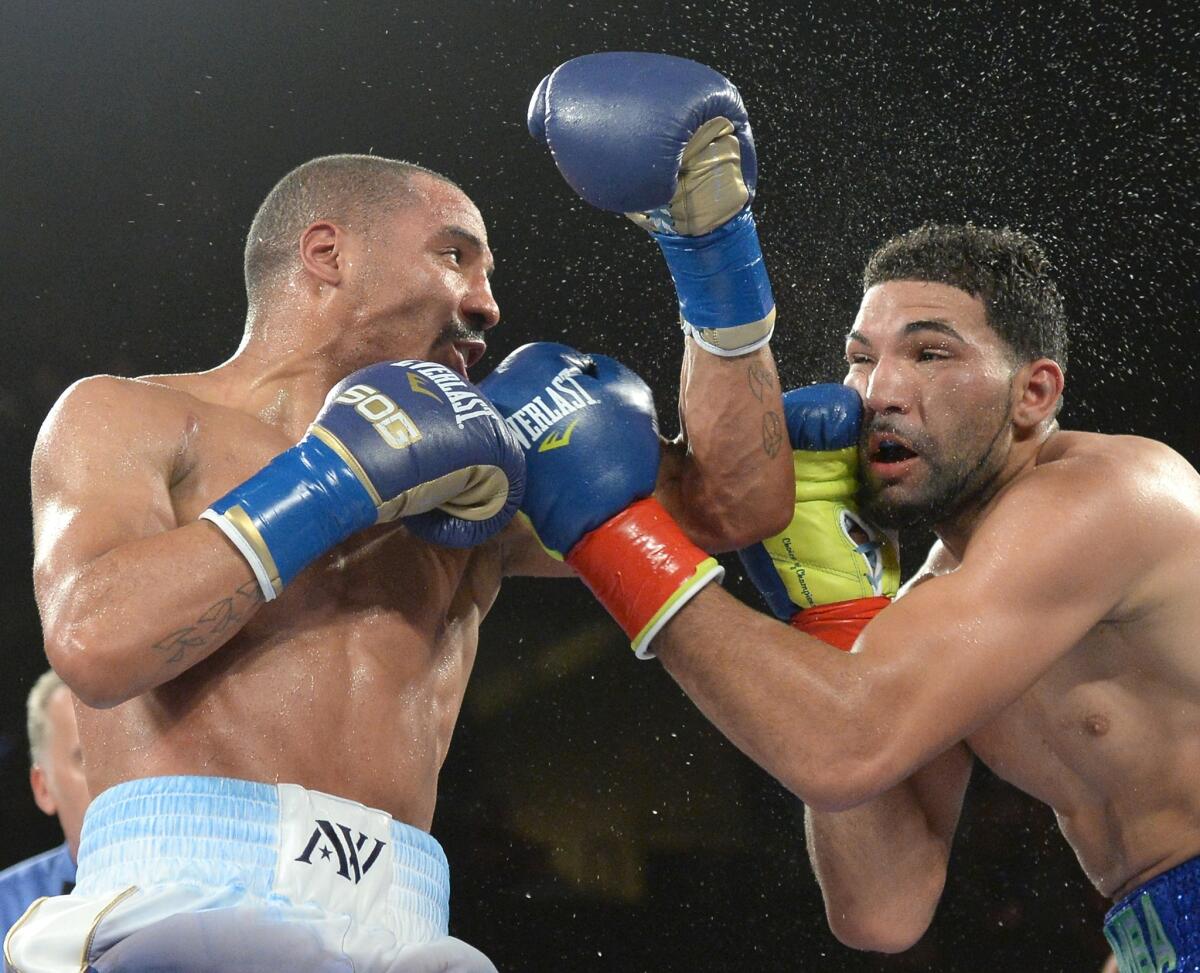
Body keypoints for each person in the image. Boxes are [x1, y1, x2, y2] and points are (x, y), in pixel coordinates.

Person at [6, 55, 793, 973]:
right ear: (327, 253)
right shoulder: (130, 416)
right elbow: (96, 644)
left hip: (407, 927)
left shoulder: (482, 474)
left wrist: (712, 249)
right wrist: (332, 481)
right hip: (188, 895)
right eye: (455, 253)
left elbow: (732, 503)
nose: (486, 302)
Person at [490, 221, 1200, 972]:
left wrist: (615, 534)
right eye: (860, 359)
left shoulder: (1109, 494)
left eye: (930, 353)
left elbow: (844, 745)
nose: (878, 391)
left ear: (1034, 392)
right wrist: (835, 616)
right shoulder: (938, 595)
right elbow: (881, 906)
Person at [0, 670, 91, 941]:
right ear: (43, 788)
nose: (116, 776)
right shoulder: (5, 912)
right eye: (85, 759)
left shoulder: (206, 893)